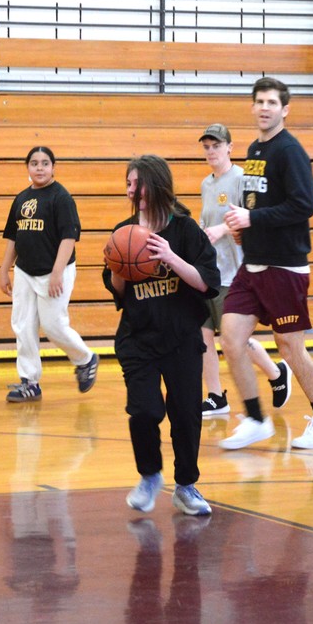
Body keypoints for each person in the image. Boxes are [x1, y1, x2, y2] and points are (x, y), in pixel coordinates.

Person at [218, 77, 313, 451]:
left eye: (272, 102)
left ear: (285, 110)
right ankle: (256, 419)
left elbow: (304, 205)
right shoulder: (255, 149)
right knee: (231, 337)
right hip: (253, 264)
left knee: (289, 347)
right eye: (259, 101)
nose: (265, 107)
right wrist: (244, 229)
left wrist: (253, 219)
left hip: (285, 267)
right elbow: (257, 203)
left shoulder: (290, 151)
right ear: (252, 106)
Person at [104, 155, 221, 516]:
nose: (130, 190)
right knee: (144, 411)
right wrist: (119, 264)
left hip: (182, 338)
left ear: (155, 185)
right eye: (127, 183)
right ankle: (150, 475)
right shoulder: (124, 232)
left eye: (136, 183)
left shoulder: (185, 231)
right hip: (138, 339)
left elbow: (207, 284)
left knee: (186, 415)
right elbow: (118, 291)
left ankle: (185, 486)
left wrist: (170, 257)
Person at [196, 123, 292, 417]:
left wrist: (222, 229)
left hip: (234, 273)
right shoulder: (206, 184)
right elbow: (206, 222)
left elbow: (250, 217)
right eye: (207, 147)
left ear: (230, 148)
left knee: (233, 339)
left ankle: (275, 372)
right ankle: (215, 396)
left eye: (216, 146)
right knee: (203, 336)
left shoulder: (241, 179)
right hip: (209, 272)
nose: (211, 151)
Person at [0, 146, 99, 402]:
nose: (40, 167)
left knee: (54, 326)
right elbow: (13, 237)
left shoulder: (61, 197)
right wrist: (4, 270)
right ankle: (29, 382)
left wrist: (57, 272)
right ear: (27, 167)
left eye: (45, 163)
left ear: (54, 167)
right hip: (25, 270)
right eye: (34, 163)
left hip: (55, 271)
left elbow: (69, 237)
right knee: (23, 325)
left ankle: (85, 359)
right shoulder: (21, 199)